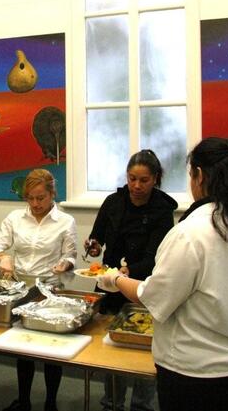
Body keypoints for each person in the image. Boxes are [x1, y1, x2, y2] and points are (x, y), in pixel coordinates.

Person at [98, 137, 228, 411]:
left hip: (203, 377)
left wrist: (115, 279)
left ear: (199, 176)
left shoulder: (192, 233)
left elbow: (154, 298)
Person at [86, 150, 177, 411]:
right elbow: (97, 238)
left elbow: (156, 257)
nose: (136, 186)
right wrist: (93, 246)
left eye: (144, 180)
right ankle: (111, 403)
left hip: (143, 288)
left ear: (156, 179)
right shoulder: (113, 202)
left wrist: (125, 274)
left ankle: (141, 406)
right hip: (110, 287)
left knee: (141, 351)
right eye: (132, 178)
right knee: (111, 348)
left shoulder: (162, 210)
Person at [0, 168, 77, 411]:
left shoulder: (66, 221)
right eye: (30, 198)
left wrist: (65, 263)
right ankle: (24, 401)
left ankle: (50, 403)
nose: (35, 203)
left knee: (50, 349)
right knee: (22, 347)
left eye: (41, 198)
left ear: (52, 194)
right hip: (22, 288)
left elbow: (71, 255)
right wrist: (3, 257)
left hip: (50, 289)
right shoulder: (15, 218)